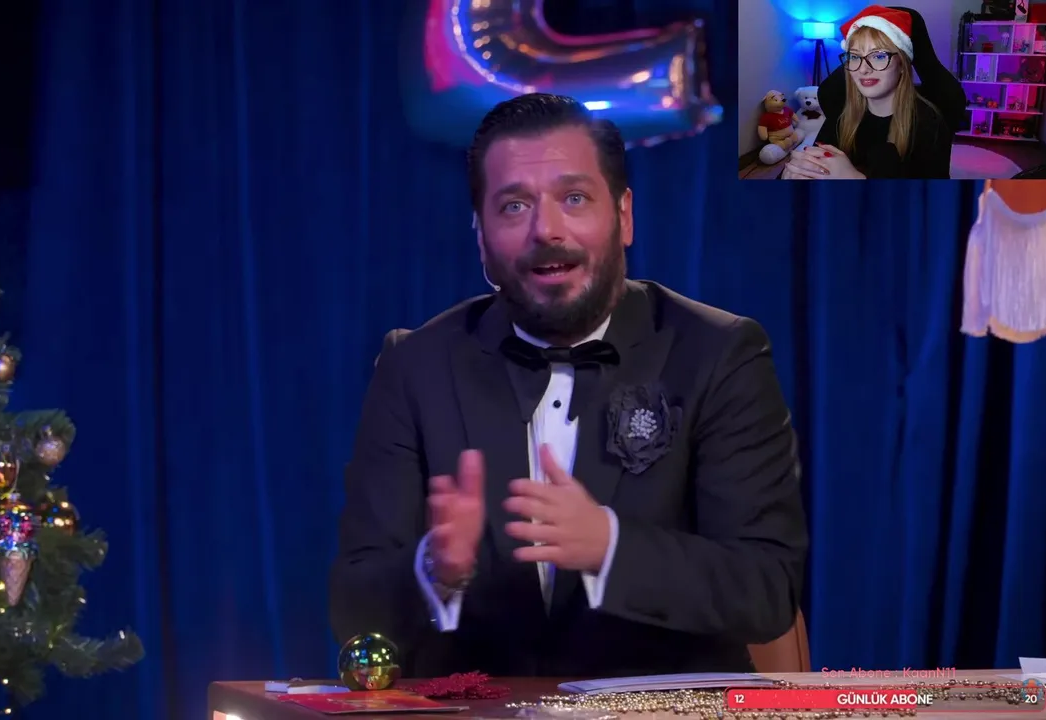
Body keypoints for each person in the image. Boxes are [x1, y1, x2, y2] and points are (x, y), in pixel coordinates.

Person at [329, 93, 809, 678]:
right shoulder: (415, 366)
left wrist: (609, 546)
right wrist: (435, 569)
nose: (546, 230)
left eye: (574, 198)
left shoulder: (718, 354)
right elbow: (352, 606)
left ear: (624, 216)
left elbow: (766, 587)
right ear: (480, 237)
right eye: (513, 206)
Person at [784, 6, 954, 180]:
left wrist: (854, 178)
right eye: (855, 57)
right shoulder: (842, 115)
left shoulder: (929, 124)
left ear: (902, 65)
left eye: (878, 56)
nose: (863, 69)